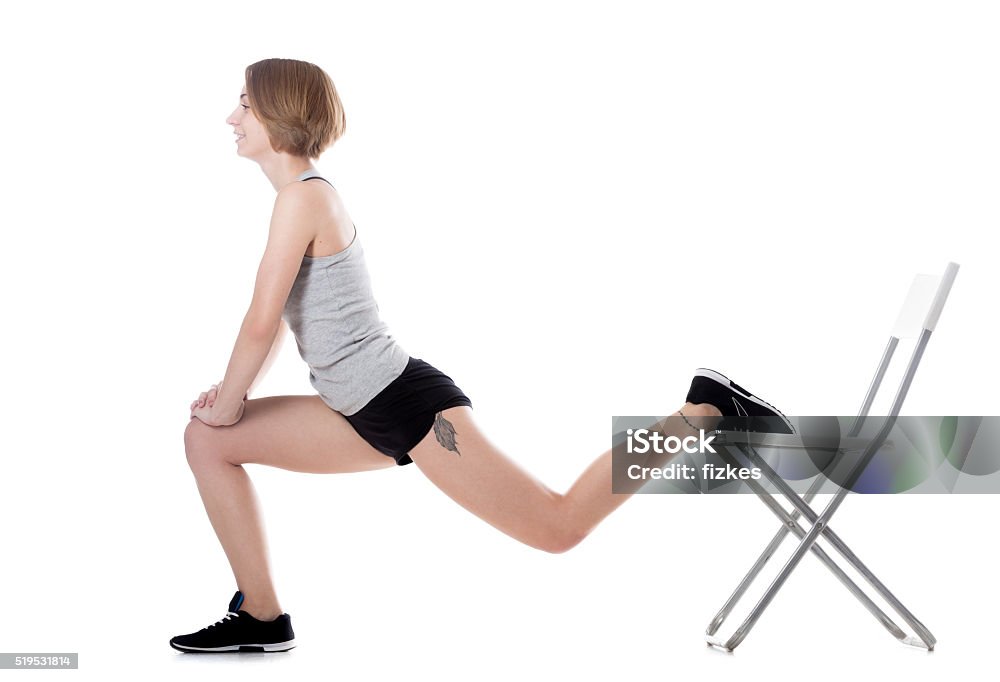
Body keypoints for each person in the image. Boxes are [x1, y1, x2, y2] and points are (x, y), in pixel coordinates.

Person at [169, 57, 794, 654]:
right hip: (353, 404)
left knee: (557, 527)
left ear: (278, 114)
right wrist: (229, 406)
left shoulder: (304, 197)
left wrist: (228, 403)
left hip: (402, 402)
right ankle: (261, 615)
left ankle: (704, 408)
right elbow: (277, 317)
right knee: (209, 441)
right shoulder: (297, 200)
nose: (232, 117)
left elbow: (255, 325)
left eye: (245, 104)